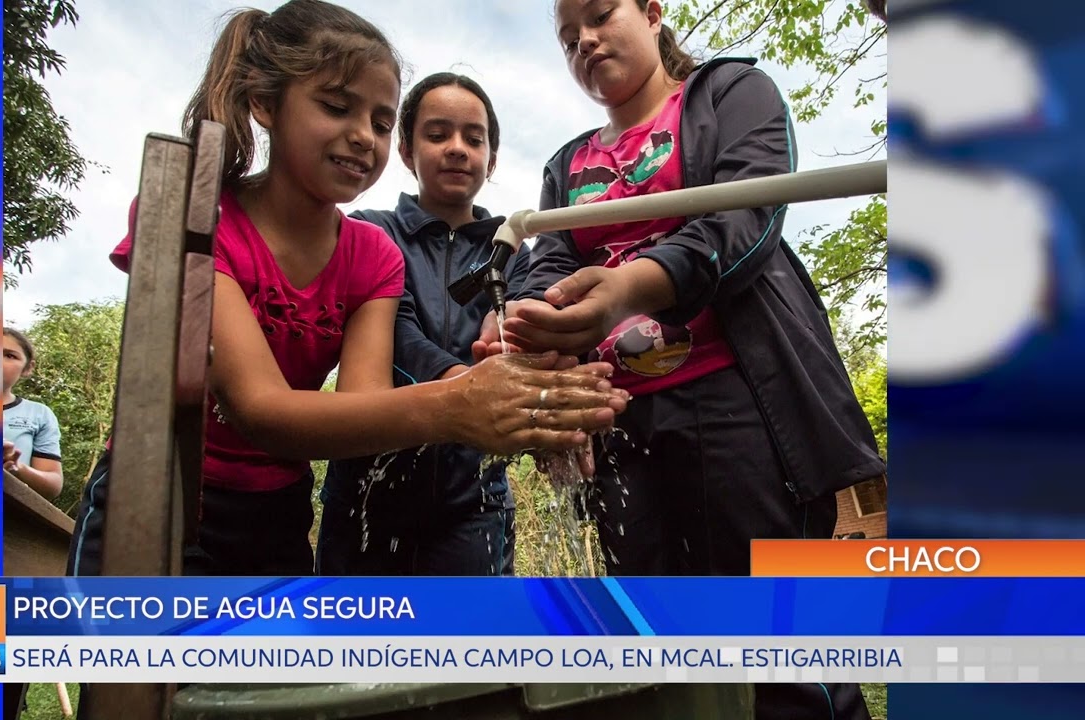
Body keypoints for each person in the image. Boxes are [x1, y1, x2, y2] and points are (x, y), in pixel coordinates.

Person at [66, 0, 626, 581]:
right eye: (337, 107)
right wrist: (461, 399)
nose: (363, 137)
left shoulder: (373, 256)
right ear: (264, 103)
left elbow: (363, 414)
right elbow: (259, 409)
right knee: (131, 668)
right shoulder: (197, 216)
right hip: (154, 490)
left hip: (276, 514)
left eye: (380, 123)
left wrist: (533, 394)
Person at [475, 1, 886, 718]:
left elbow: (745, 221)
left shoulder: (731, 94)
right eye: (568, 39)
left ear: (653, 10)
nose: (585, 42)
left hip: (742, 408)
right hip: (622, 423)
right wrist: (525, 320)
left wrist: (626, 289)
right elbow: (546, 267)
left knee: (779, 649)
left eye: (600, 15)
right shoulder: (566, 163)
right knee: (655, 647)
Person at [317, 72, 528, 576]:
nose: (457, 148)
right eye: (437, 135)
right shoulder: (369, 231)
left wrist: (518, 344)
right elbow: (396, 335)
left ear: (491, 160)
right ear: (408, 151)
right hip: (366, 492)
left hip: (475, 500)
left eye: (473, 139)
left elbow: (525, 328)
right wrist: (463, 383)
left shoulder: (515, 250)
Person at [1, 327, 63, 500]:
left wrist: (15, 466)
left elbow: (53, 486)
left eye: (9, 355)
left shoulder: (39, 414)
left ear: (28, 367)